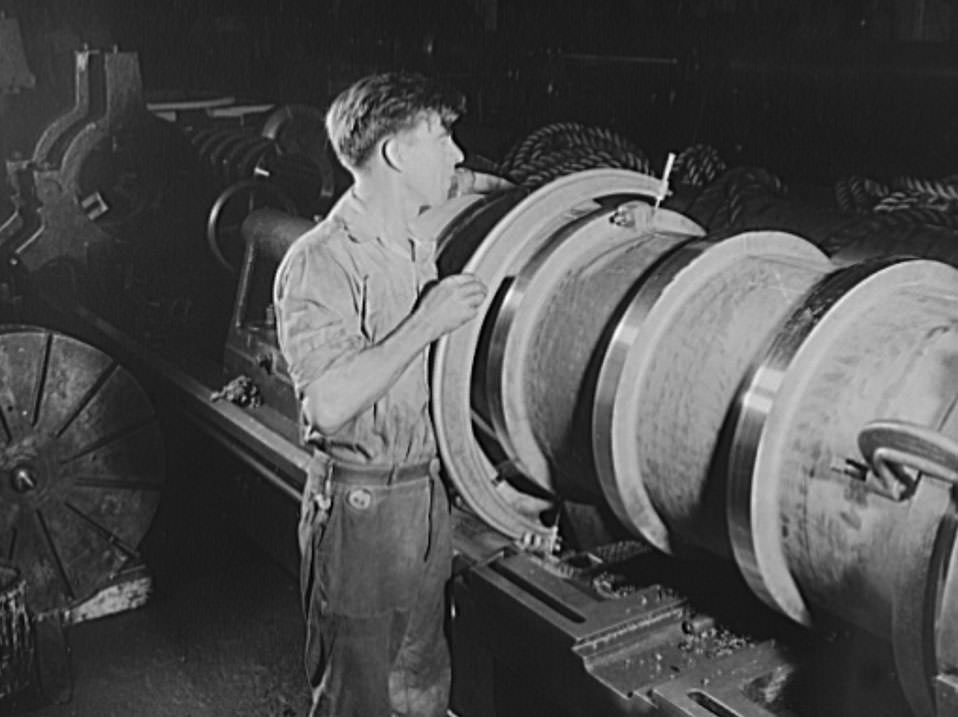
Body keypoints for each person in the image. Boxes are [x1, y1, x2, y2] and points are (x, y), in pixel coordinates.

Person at [273, 72, 507, 717]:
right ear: (396, 153)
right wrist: (427, 323)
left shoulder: (417, 235)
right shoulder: (322, 259)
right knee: (359, 696)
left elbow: (473, 182)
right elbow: (327, 404)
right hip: (361, 510)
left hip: (424, 499)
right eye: (442, 136)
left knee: (421, 684)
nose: (456, 152)